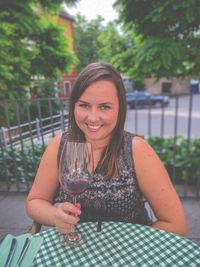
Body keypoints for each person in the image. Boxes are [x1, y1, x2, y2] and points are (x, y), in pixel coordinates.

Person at [26, 62, 187, 236]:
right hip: (76, 249)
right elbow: (35, 201)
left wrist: (129, 248)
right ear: (74, 105)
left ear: (120, 108)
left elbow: (176, 225)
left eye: (104, 106)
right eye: (84, 105)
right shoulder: (60, 144)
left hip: (128, 253)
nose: (93, 117)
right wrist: (55, 216)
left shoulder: (137, 151)